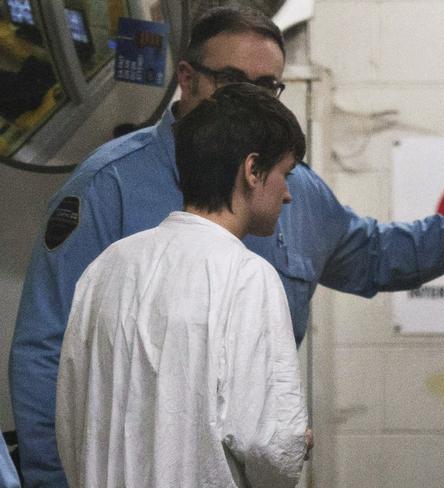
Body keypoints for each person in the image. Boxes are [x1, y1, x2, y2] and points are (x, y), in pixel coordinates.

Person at [10, 7, 444, 487]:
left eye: (266, 87)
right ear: (187, 78)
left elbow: (377, 256)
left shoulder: (298, 191)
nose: (249, 98)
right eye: (232, 79)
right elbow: (49, 353)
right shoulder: (111, 185)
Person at [56, 83, 308, 488]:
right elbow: (269, 446)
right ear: (252, 170)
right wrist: (294, 444)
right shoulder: (247, 276)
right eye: (285, 174)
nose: (289, 194)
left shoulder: (107, 265)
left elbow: (70, 417)